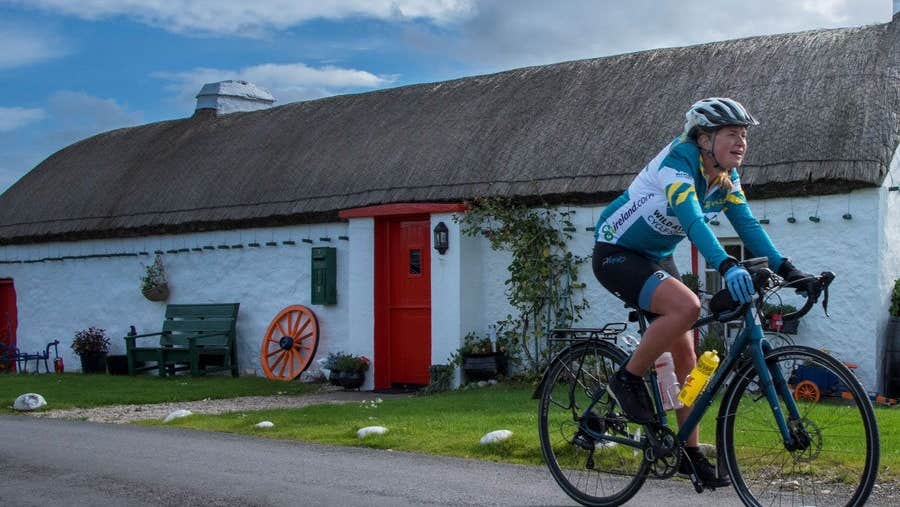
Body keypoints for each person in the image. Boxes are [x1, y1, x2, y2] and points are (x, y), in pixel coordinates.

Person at [592, 97, 810, 488]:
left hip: (655, 256)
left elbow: (747, 225)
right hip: (617, 251)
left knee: (687, 354)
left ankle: (689, 453)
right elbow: (692, 221)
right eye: (731, 134)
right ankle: (626, 378)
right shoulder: (679, 162)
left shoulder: (726, 177)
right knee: (688, 306)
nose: (741, 142)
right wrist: (726, 265)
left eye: (744, 135)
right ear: (705, 138)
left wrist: (790, 271)